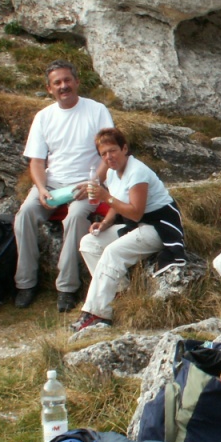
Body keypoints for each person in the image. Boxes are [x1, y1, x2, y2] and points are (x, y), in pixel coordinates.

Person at [14, 60, 113, 312]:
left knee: (76, 217)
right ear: (49, 89)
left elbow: (108, 154)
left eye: (67, 80)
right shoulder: (43, 117)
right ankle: (25, 283)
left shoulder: (97, 110)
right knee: (25, 214)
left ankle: (67, 288)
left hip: (87, 182)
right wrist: (41, 188)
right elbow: (37, 161)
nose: (63, 86)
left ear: (77, 82)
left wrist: (93, 183)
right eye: (57, 82)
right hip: (53, 182)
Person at [72, 128, 185, 332]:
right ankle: (120, 293)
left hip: (159, 227)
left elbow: (135, 213)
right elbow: (118, 203)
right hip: (137, 225)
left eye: (113, 151)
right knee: (89, 243)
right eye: (103, 154)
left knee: (112, 252)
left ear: (124, 149)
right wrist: (105, 224)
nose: (109, 157)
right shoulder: (111, 172)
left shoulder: (137, 172)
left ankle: (97, 313)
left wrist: (105, 197)